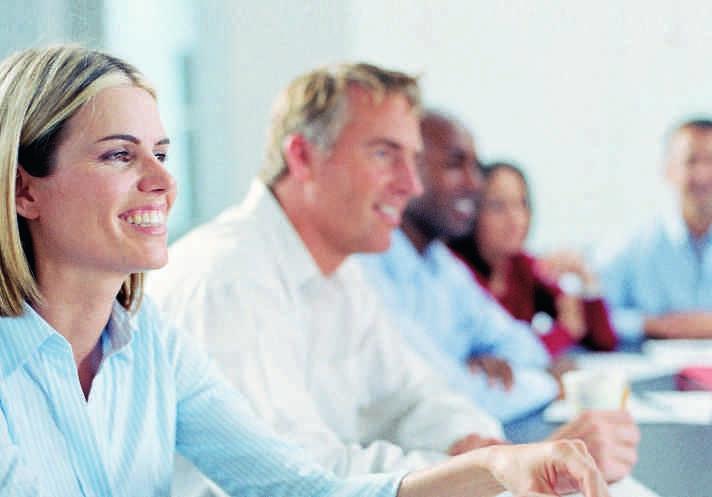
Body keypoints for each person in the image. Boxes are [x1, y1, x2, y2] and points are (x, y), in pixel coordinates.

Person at [0, 45, 612, 497]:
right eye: (118, 155)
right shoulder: (225, 279)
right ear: (24, 189)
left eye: (160, 154)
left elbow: (296, 486)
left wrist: (497, 466)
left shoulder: (150, 343)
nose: (162, 182)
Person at [150, 62, 633, 494]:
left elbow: (412, 395)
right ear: (302, 157)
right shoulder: (230, 279)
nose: (412, 184)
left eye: (412, 157)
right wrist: (489, 470)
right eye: (385, 155)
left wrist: (477, 444)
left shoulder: (340, 272)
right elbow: (301, 481)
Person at [358, 109, 638, 474]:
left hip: (470, 445)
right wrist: (549, 384)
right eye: (456, 165)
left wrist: (508, 366)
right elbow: (454, 392)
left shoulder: (442, 264)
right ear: (409, 171)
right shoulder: (368, 266)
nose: (474, 184)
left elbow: (525, 346)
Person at [448, 160, 617, 357]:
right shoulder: (455, 270)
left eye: (522, 204)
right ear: (472, 211)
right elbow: (504, 355)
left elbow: (604, 341)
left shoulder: (521, 265)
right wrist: (564, 332)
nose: (515, 218)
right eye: (498, 206)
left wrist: (587, 280)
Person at [598, 118, 712, 342]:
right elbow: (596, 316)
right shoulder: (633, 242)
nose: (703, 175)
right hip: (656, 370)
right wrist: (656, 325)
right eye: (691, 162)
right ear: (668, 169)